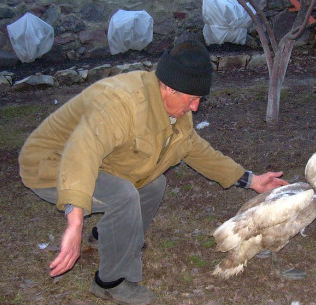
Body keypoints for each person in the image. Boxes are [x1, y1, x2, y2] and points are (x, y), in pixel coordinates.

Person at [18, 39, 288, 305]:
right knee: (123, 195)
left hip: (100, 161)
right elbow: (81, 153)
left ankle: (106, 238)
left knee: (153, 185)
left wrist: (252, 180)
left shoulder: (175, 110)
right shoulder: (121, 103)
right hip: (51, 163)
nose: (195, 107)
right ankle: (111, 282)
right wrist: (75, 222)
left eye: (199, 99)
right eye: (192, 99)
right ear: (169, 88)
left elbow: (196, 150)